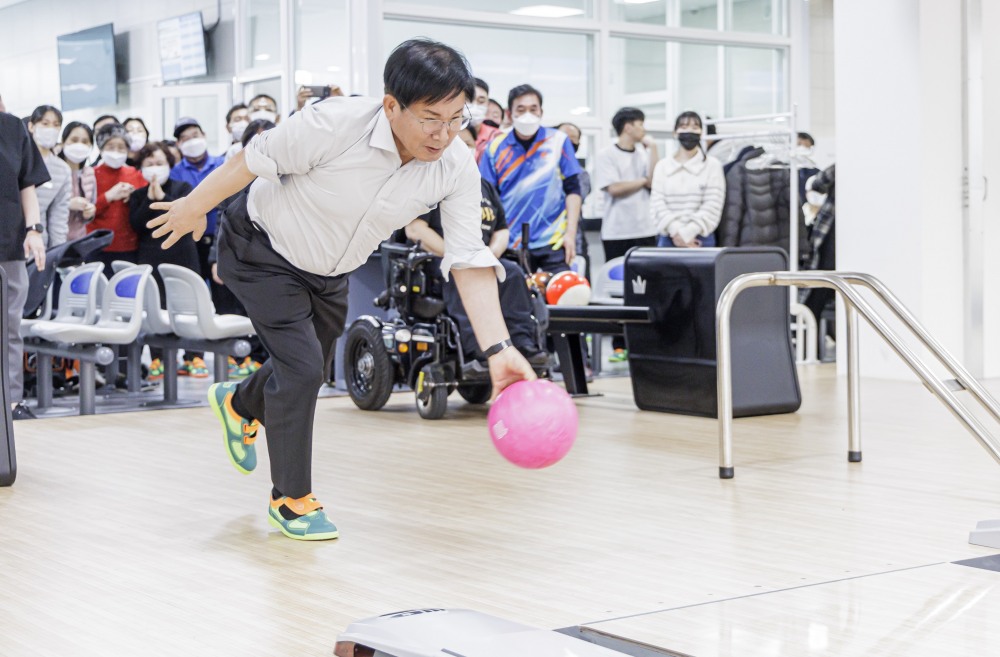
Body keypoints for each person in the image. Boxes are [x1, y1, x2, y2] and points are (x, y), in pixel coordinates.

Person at [147, 39, 534, 542]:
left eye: (456, 118)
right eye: (430, 119)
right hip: (260, 249)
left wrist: (499, 350)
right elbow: (248, 160)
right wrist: (194, 206)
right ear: (391, 106)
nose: (444, 134)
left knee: (305, 368)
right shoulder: (333, 124)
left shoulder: (456, 165)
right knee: (304, 368)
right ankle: (291, 499)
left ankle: (240, 403)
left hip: (330, 272)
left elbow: (468, 258)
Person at [405, 168, 546, 366]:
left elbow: (501, 231)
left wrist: (491, 255)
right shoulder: (432, 182)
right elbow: (415, 229)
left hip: (481, 258)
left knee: (513, 273)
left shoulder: (484, 185)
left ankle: (521, 343)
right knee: (461, 269)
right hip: (440, 258)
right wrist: (455, 255)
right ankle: (478, 347)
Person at [479, 84, 582, 274]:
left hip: (553, 240)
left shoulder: (558, 141)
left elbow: (573, 190)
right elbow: (487, 198)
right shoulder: (494, 147)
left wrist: (571, 234)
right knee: (513, 291)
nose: (528, 114)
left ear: (541, 112)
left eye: (533, 109)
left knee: (563, 290)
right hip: (510, 241)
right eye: (521, 109)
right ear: (509, 114)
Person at [128, 141, 199, 381]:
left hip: (182, 254)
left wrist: (162, 197)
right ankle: (158, 357)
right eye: (149, 164)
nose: (154, 168)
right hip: (150, 256)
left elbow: (187, 216)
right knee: (155, 306)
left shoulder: (183, 187)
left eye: (159, 163)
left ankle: (194, 356)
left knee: (187, 304)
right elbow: (137, 225)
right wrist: (149, 200)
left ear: (169, 164)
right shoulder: (138, 195)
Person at [594, 107, 659, 362]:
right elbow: (614, 188)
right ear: (628, 126)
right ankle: (619, 344)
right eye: (640, 124)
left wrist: (653, 149)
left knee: (647, 289)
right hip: (617, 232)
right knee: (618, 290)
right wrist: (642, 181)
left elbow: (654, 180)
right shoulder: (606, 154)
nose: (643, 129)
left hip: (646, 229)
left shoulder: (644, 153)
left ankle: (645, 342)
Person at [0, 101, 49, 420]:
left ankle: (11, 401)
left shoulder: (12, 128)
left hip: (9, 243)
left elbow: (26, 184)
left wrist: (34, 229)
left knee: (9, 326)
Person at [170, 116, 225, 378]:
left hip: (219, 239)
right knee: (191, 298)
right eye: (185, 138)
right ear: (178, 144)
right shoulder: (175, 172)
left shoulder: (222, 165)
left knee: (223, 295)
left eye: (195, 135)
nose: (191, 141)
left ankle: (230, 354)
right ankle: (193, 357)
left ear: (204, 135)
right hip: (188, 242)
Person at [650, 111, 724, 248]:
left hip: (701, 238)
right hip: (668, 237)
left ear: (701, 132)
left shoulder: (712, 165)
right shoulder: (662, 166)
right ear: (675, 133)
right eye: (684, 127)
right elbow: (657, 203)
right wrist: (677, 232)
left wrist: (688, 233)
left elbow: (713, 204)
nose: (689, 131)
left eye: (695, 127)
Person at [91, 123, 144, 277]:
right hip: (98, 245)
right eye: (111, 146)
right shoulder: (91, 174)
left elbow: (144, 206)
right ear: (101, 148)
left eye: (121, 147)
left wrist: (134, 197)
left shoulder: (135, 174)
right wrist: (108, 196)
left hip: (129, 246)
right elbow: (86, 212)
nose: (116, 151)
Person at [26, 105, 70, 248]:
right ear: (31, 126)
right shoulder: (19, 160)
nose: (51, 129)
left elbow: (58, 215)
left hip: (39, 243)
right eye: (45, 123)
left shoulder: (62, 169)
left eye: (56, 125)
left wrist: (58, 251)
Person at [57, 121, 97, 241]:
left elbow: (92, 205)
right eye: (74, 140)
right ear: (63, 142)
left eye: (85, 142)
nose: (79, 145)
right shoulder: (54, 171)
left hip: (79, 239)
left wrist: (89, 213)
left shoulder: (89, 173)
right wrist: (67, 204)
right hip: (56, 239)